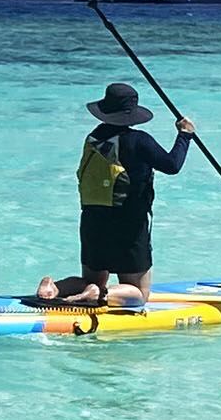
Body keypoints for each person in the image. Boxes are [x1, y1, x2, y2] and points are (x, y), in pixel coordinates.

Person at [31, 79, 194, 308]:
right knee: (139, 293)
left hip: (92, 221)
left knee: (90, 278)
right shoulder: (139, 140)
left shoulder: (93, 138)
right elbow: (171, 165)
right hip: (128, 225)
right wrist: (184, 136)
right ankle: (99, 294)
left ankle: (54, 286)